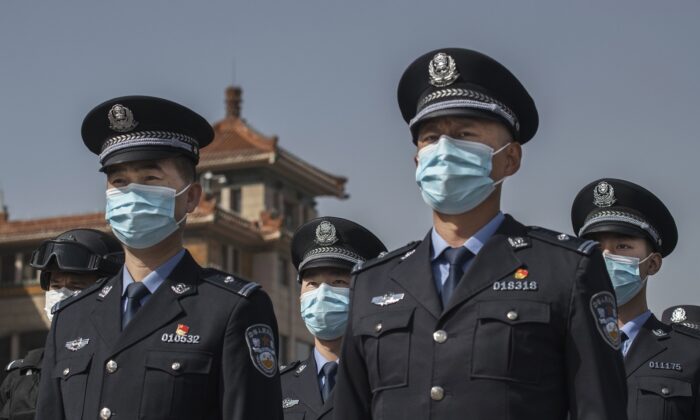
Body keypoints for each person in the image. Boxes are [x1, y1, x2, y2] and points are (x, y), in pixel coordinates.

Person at [332, 48, 628, 420]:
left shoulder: (567, 271)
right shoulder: (372, 283)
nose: (444, 150)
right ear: (416, 161)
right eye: (431, 137)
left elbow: (599, 408)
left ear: (510, 158)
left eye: (464, 135)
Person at [36, 96, 283, 420]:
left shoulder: (231, 310)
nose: (131, 195)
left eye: (150, 180)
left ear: (191, 197)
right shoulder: (72, 317)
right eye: (119, 181)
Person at [571, 178, 700, 419]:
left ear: (652, 263)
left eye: (623, 246)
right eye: (595, 247)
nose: (606, 256)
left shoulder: (691, 353)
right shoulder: (558, 343)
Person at [0, 229, 123, 420]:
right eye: (56, 286)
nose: (63, 295)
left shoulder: (121, 368)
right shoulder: (22, 376)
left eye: (76, 287)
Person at [280, 217, 386, 420]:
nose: (322, 294)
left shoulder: (386, 380)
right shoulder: (278, 385)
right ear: (300, 295)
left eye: (338, 281)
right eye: (312, 283)